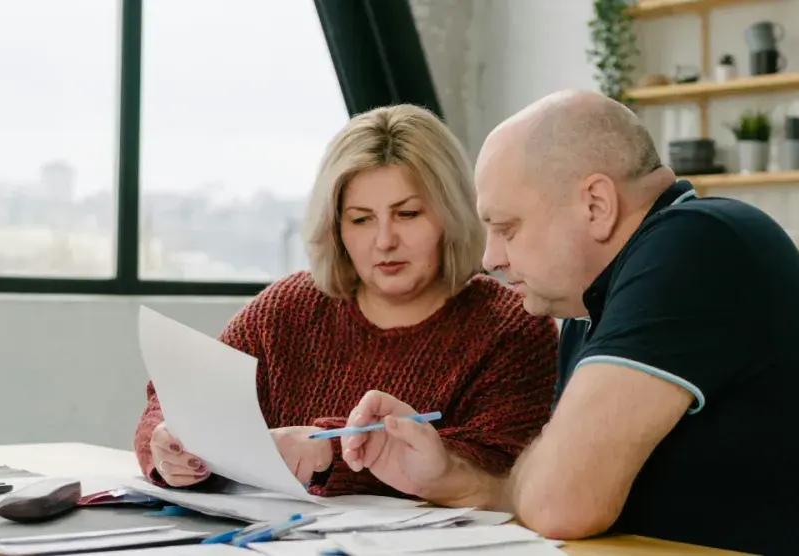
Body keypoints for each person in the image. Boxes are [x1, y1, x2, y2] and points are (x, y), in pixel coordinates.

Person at [338, 90, 799, 554]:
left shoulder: (697, 244)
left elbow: (563, 503)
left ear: (596, 204)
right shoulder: (590, 309)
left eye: (507, 227)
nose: (491, 258)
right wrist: (450, 477)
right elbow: (553, 494)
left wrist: (538, 478)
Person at [131, 103, 559, 499]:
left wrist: (329, 454)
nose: (385, 241)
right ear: (335, 228)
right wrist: (166, 442)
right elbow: (180, 399)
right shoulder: (287, 309)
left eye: (408, 214)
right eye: (361, 219)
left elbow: (501, 468)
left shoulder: (513, 326)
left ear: (451, 215)